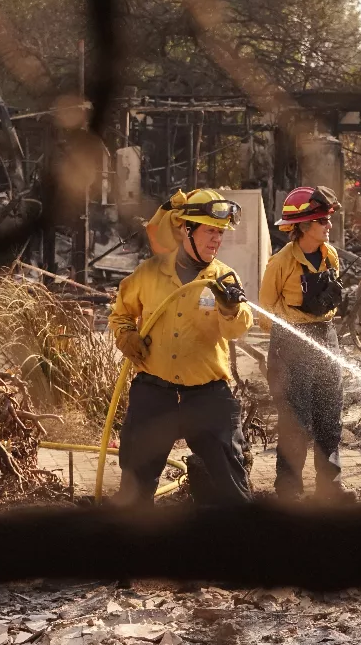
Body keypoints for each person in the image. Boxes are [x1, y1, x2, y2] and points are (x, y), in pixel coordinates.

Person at [107, 188, 254, 506]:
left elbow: (238, 329)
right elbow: (120, 315)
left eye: (221, 233)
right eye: (211, 231)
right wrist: (127, 336)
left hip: (207, 395)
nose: (217, 239)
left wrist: (230, 308)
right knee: (134, 491)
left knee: (234, 491)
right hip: (153, 393)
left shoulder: (224, 279)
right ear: (187, 229)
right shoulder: (149, 272)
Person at [259, 186, 352, 502]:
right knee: (295, 422)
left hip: (325, 336)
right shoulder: (280, 262)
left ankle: (330, 486)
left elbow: (331, 301)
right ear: (304, 225)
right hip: (291, 343)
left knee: (330, 415)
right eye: (323, 221)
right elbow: (264, 312)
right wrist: (296, 320)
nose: (329, 226)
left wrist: (326, 304)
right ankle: (288, 491)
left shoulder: (331, 255)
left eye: (328, 220)